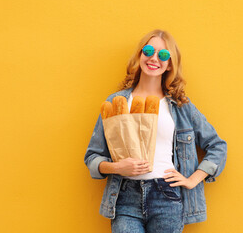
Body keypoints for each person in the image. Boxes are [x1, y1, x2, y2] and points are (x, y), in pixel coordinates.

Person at [84, 29, 227, 232]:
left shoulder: (180, 106)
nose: (154, 58)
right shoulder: (116, 103)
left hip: (167, 197)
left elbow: (217, 146)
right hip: (125, 198)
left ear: (170, 64)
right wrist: (118, 168)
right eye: (149, 50)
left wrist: (192, 179)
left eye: (163, 55)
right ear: (140, 54)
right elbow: (92, 156)